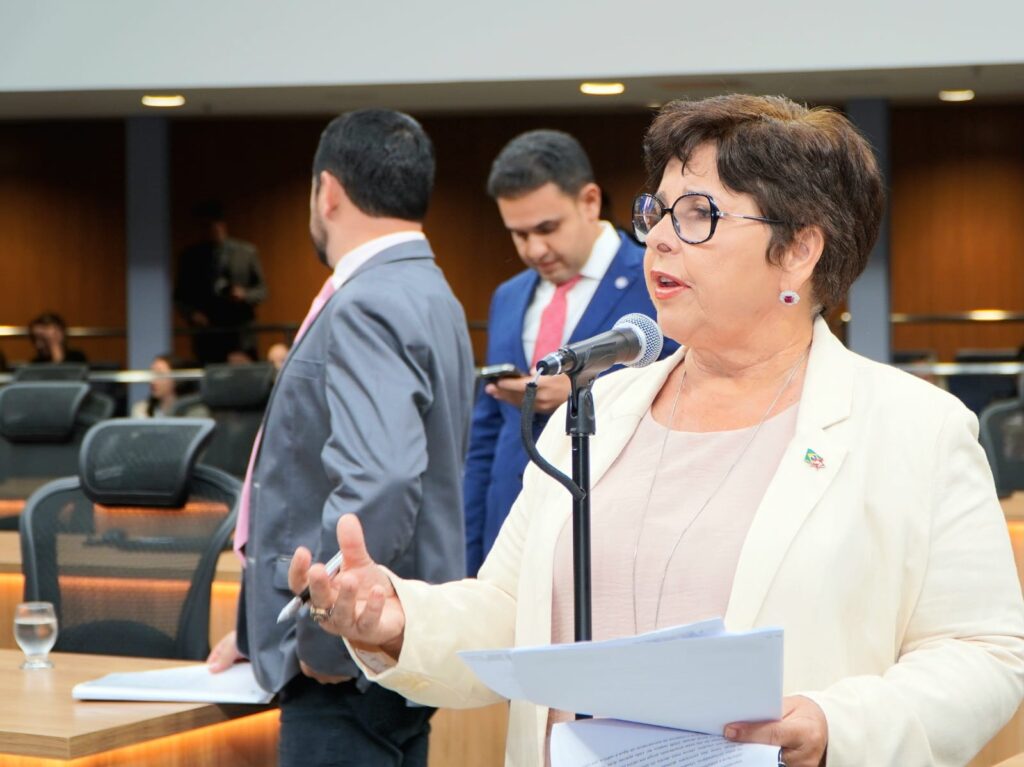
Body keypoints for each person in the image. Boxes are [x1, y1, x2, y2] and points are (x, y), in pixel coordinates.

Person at [288, 95, 1024, 767]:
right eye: (658, 212)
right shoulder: (598, 412)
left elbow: (986, 652)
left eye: (699, 215)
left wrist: (838, 724)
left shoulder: (914, 429)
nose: (661, 240)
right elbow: (512, 612)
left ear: (800, 250)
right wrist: (398, 619)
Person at [206, 109, 474, 767]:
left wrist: (326, 636)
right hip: (394, 645)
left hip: (346, 663)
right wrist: (264, 633)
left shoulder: (368, 299)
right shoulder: (430, 288)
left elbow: (380, 479)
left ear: (327, 190)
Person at [464, 130, 677, 576]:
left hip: (607, 531)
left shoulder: (658, 280)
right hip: (507, 532)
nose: (534, 249)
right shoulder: (509, 296)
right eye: (518, 234)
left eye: (547, 229)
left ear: (589, 201)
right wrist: (471, 552)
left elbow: (683, 390)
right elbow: (485, 437)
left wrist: (581, 393)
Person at [173, 201, 267, 365]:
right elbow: (179, 297)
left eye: (214, 224)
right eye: (205, 225)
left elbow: (262, 291)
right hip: (207, 335)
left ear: (223, 224)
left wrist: (244, 295)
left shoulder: (246, 253)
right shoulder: (190, 257)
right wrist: (193, 314)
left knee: (244, 375)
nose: (211, 229)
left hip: (240, 333)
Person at [130, 353, 205, 418]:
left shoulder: (195, 411)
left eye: (159, 374)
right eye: (152, 373)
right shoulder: (141, 410)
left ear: (177, 378)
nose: (152, 380)